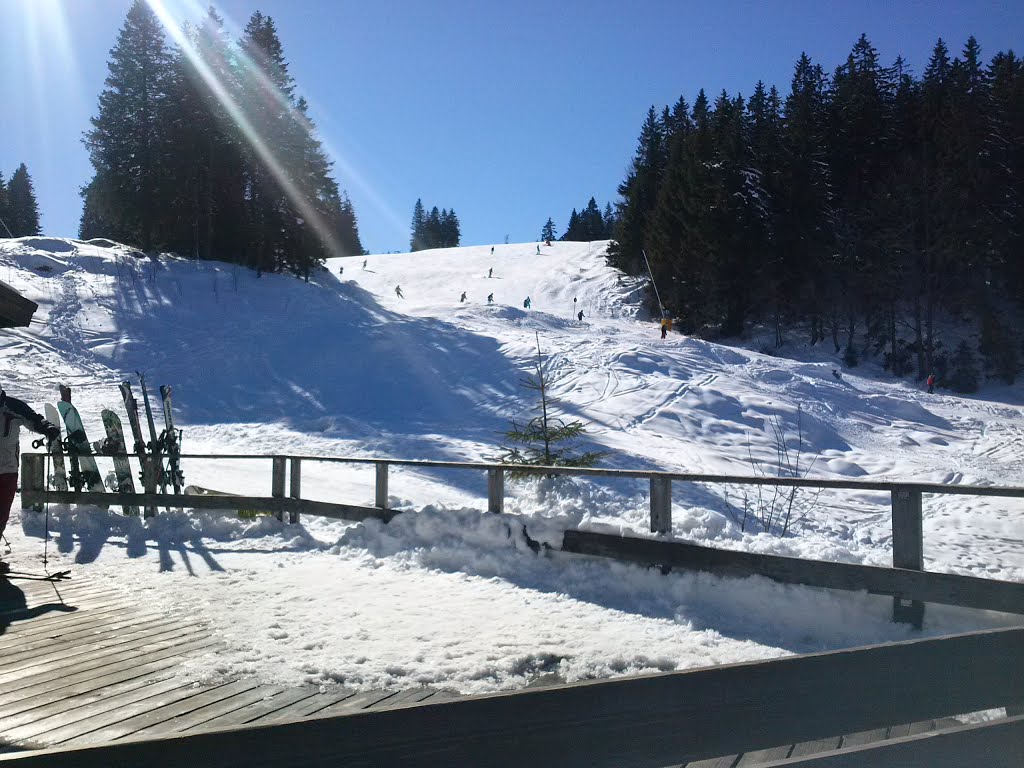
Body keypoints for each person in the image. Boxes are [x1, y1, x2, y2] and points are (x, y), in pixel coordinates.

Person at [0, 388, 60, 572]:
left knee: (1, 513)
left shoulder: (12, 406)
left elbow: (34, 419)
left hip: (7, 470)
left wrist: (47, 428)